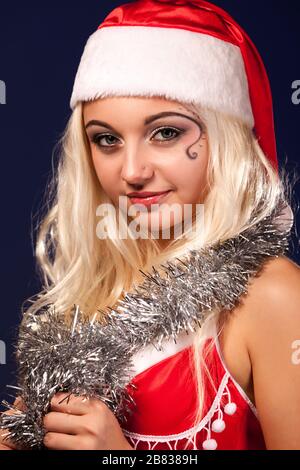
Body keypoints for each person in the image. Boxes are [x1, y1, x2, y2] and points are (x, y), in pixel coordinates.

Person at [1, 0, 300, 451]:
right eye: (107, 140)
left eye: (165, 133)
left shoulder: (276, 296)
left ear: (224, 138)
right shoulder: (93, 294)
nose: (133, 170)